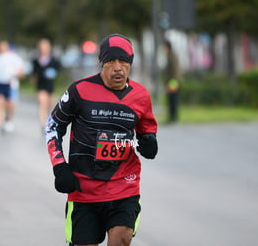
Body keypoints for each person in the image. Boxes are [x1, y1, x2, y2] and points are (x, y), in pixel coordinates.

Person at [45, 34, 158, 246]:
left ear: (130, 64)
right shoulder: (79, 90)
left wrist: (150, 142)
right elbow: (53, 126)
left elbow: (147, 131)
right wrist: (60, 167)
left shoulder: (141, 96)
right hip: (84, 189)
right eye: (110, 61)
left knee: (121, 237)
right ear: (102, 63)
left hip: (124, 185)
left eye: (123, 61)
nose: (117, 67)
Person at [0, 41, 24, 133]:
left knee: (10, 104)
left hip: (11, 84)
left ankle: (10, 120)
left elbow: (20, 71)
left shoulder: (13, 57)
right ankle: (1, 123)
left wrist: (16, 74)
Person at [31, 38, 62, 130]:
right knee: (42, 103)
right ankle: (43, 123)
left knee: (50, 105)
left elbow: (59, 70)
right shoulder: (35, 61)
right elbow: (33, 74)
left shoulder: (54, 60)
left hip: (51, 86)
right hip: (40, 86)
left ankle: (49, 121)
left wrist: (54, 73)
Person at [163, 40, 181, 123]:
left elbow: (174, 70)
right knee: (171, 99)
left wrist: (171, 82)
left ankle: (173, 117)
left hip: (173, 81)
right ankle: (172, 116)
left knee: (172, 99)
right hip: (173, 81)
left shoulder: (172, 56)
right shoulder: (170, 55)